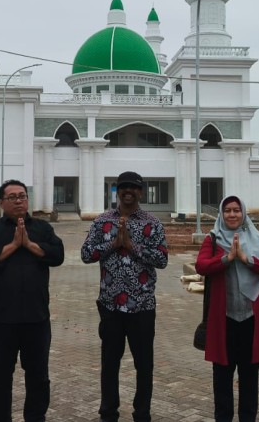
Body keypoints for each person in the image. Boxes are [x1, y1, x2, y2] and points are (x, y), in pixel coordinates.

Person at [0, 180, 65, 422]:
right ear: (1, 202)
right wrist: (14, 245)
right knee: (0, 378)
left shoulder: (43, 229)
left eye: (22, 196)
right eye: (12, 197)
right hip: (0, 319)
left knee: (38, 377)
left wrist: (30, 245)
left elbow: (58, 255)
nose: (18, 201)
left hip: (37, 318)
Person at [81, 171, 168, 422]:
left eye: (134, 187)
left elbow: (162, 259)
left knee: (144, 365)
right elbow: (86, 254)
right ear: (117, 191)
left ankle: (142, 413)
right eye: (123, 187)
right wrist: (112, 244)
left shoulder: (152, 223)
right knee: (110, 364)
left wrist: (132, 246)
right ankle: (108, 413)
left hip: (142, 306)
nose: (128, 191)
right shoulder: (102, 221)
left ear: (141, 192)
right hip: (110, 306)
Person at [194, 195, 259, 422]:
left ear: (243, 213)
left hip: (251, 320)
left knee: (250, 379)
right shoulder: (213, 239)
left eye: (236, 210)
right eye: (228, 210)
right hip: (224, 321)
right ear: (221, 214)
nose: (232, 214)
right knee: (222, 379)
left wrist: (246, 259)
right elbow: (201, 266)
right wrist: (226, 259)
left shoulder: (255, 237)